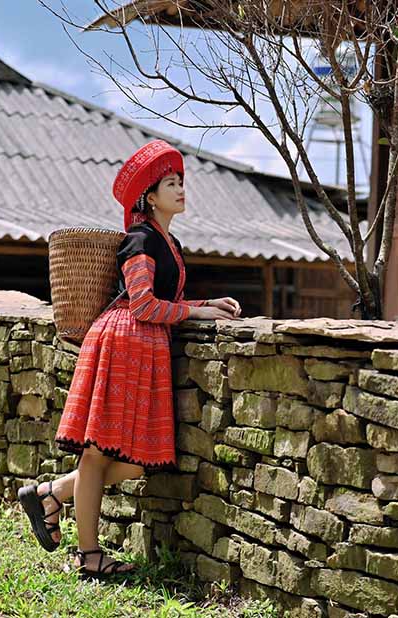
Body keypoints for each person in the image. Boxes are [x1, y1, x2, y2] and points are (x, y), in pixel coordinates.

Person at [17, 140, 241, 579]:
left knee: (142, 458)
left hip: (143, 349)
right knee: (98, 454)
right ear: (149, 197)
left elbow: (160, 302)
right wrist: (199, 310)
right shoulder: (139, 239)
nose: (181, 190)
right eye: (171, 183)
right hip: (122, 343)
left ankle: (52, 493)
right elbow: (142, 305)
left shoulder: (167, 240)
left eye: (181, 182)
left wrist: (207, 301)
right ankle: (89, 556)